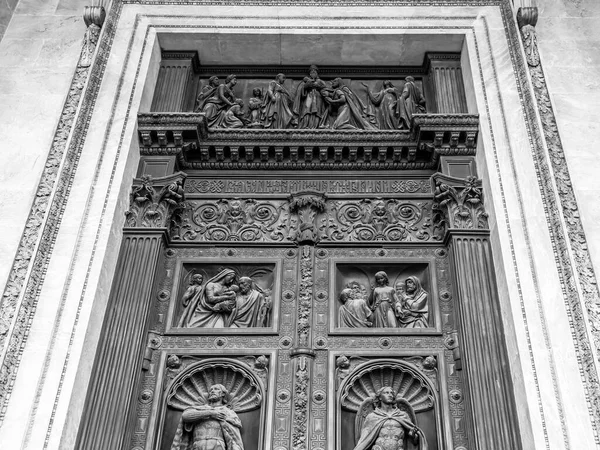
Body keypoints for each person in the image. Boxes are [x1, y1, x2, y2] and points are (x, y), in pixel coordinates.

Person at [171, 384, 244, 450]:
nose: (212, 391)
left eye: (216, 389)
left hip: (217, 446)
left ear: (223, 394)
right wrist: (210, 413)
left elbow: (233, 438)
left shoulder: (228, 412)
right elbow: (185, 416)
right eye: (211, 390)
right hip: (197, 445)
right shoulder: (199, 409)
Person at [354, 387, 428, 450]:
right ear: (380, 397)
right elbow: (364, 439)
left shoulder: (402, 415)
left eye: (391, 393)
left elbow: (414, 440)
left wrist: (413, 434)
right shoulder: (372, 417)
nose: (390, 395)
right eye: (386, 393)